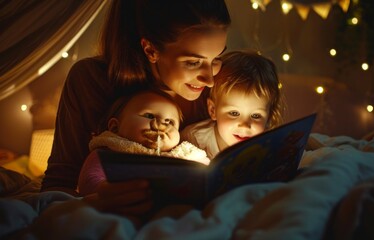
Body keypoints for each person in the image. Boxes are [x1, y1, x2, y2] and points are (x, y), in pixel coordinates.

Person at [41, 0, 231, 219]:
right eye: (192, 62)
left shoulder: (218, 90)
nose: (209, 79)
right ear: (150, 49)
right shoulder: (89, 79)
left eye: (217, 58)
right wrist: (95, 202)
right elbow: (57, 184)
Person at [78, 89, 208, 196]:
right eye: (149, 116)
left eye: (170, 122)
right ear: (115, 127)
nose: (162, 124)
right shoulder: (108, 152)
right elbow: (89, 181)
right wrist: (109, 190)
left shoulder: (184, 155)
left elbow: (207, 176)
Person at [181, 50, 285, 159]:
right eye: (234, 113)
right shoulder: (193, 140)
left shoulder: (269, 145)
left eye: (256, 116)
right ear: (213, 110)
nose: (245, 125)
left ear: (269, 115)